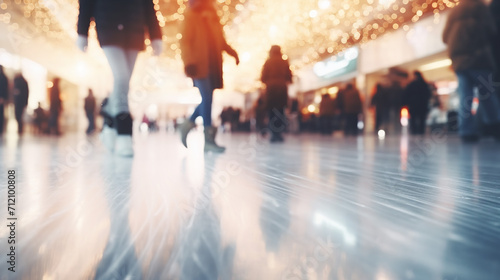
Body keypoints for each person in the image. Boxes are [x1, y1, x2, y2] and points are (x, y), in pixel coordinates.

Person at [77, 0, 163, 156]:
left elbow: (149, 7)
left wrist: (156, 35)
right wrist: (82, 31)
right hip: (108, 27)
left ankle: (109, 120)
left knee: (124, 83)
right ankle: (124, 135)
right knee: (122, 78)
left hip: (135, 30)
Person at [179, 0, 239, 153]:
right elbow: (185, 41)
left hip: (213, 64)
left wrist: (233, 53)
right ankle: (208, 140)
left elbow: (221, 41)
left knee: (208, 98)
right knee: (206, 97)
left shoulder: (214, 16)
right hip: (198, 65)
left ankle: (189, 123)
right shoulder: (191, 14)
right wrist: (189, 62)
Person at [443, 0, 500, 142]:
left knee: (465, 96)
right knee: (487, 95)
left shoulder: (454, 11)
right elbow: (491, 31)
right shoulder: (480, 7)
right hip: (479, 58)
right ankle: (495, 127)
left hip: (460, 61)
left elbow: (444, 37)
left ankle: (467, 132)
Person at [260, 45, 292, 143]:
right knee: (280, 111)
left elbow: (263, 78)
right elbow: (289, 77)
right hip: (282, 88)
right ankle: (279, 133)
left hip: (271, 89)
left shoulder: (268, 62)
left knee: (271, 111)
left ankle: (273, 133)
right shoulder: (284, 61)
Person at [0, 65, 8, 135]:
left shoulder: (3, 77)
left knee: (1, 115)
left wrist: (2, 97)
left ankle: (1, 130)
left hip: (1, 99)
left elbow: (4, 89)